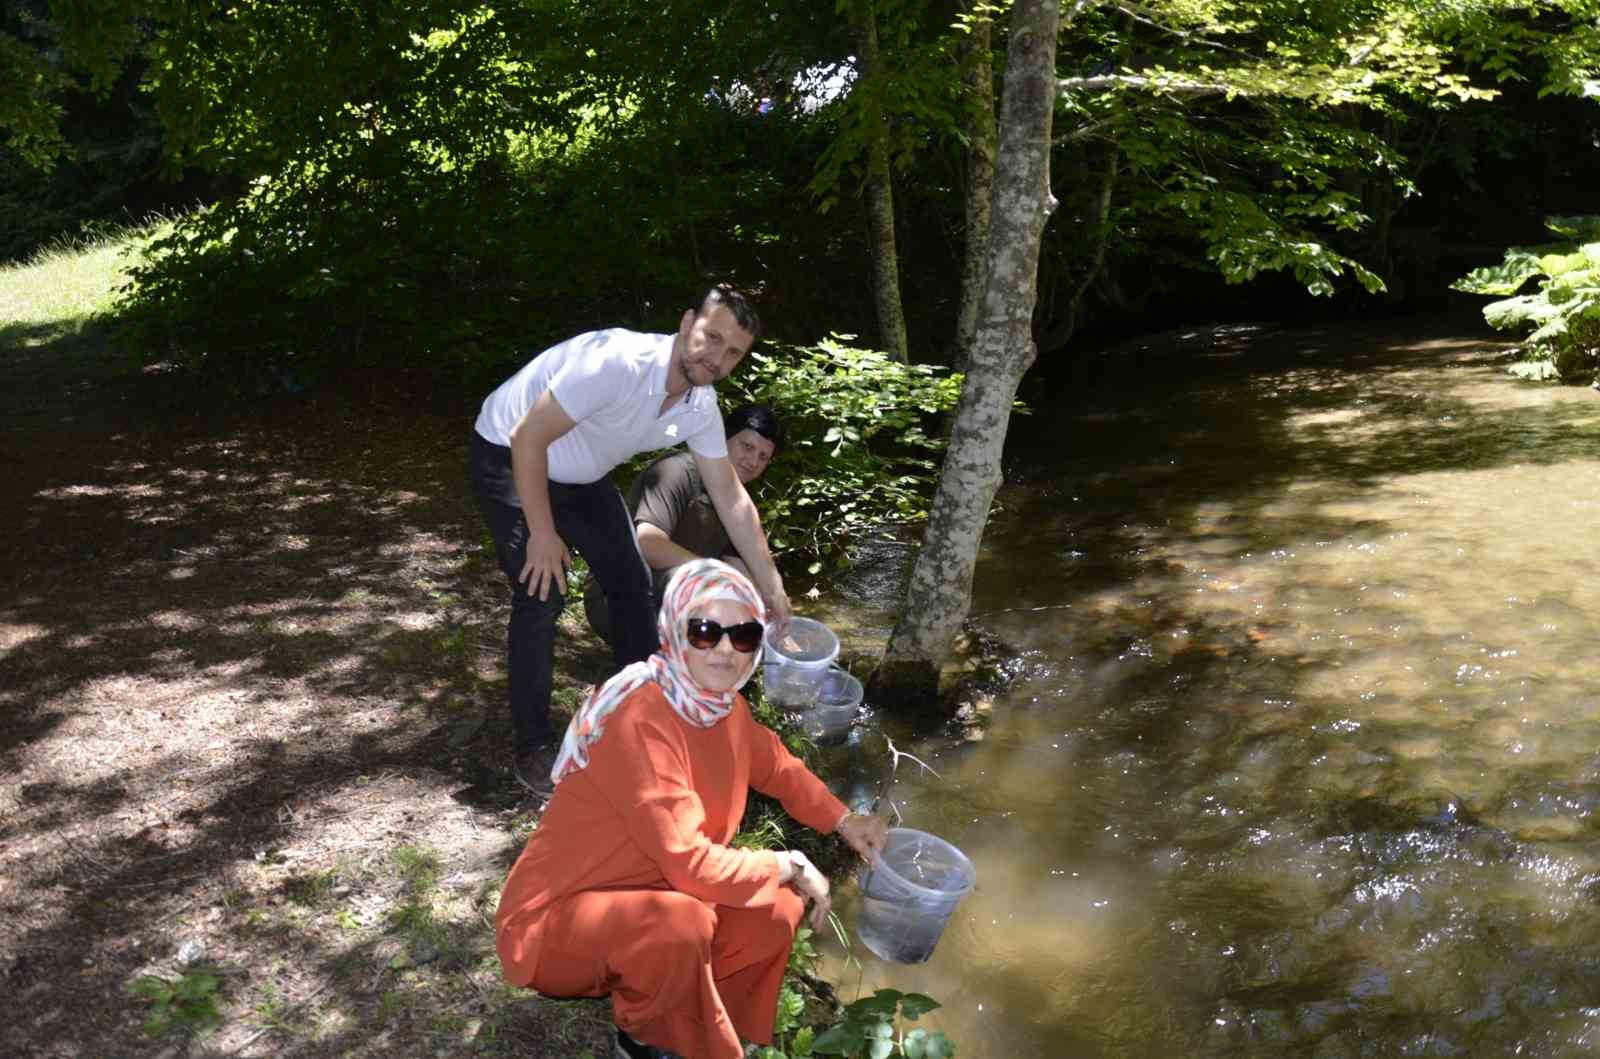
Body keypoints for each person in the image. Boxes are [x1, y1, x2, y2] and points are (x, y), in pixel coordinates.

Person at [495, 560, 888, 1059]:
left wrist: (843, 819)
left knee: (776, 909)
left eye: (743, 634)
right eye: (705, 632)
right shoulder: (641, 719)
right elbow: (693, 865)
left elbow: (780, 769)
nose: (725, 649)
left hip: (655, 896)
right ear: (673, 632)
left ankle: (695, 1014)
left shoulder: (725, 709)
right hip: (555, 926)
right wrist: (789, 862)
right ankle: (646, 1039)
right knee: (682, 924)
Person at [469, 286, 792, 799]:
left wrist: (771, 586)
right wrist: (544, 534)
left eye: (733, 351)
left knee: (632, 581)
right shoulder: (617, 363)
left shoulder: (700, 406)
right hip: (510, 451)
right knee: (542, 591)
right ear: (688, 324)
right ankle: (533, 747)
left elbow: (732, 499)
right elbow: (529, 437)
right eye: (711, 337)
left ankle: (642, 716)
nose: (717, 356)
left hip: (579, 475)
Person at [583, 403, 782, 643]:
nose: (752, 461)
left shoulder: (738, 504)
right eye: (747, 447)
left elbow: (738, 566)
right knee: (705, 581)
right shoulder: (677, 471)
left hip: (675, 597)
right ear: (722, 439)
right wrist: (715, 572)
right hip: (614, 597)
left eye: (763, 457)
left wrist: (767, 611)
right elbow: (647, 544)